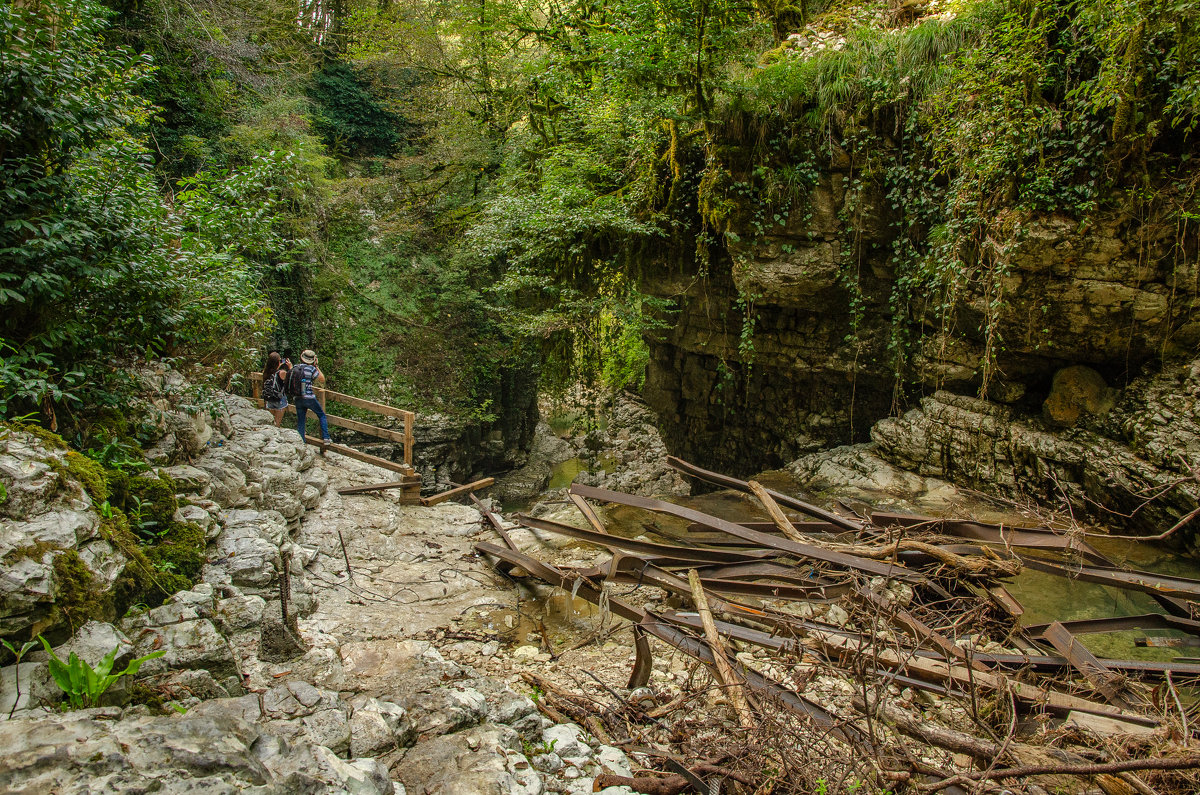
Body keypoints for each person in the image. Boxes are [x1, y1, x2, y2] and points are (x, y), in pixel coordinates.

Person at [289, 349, 331, 443]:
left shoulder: (296, 367)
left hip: (298, 398)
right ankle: (326, 438)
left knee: (301, 420)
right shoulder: (311, 369)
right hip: (309, 398)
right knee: (321, 415)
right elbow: (321, 379)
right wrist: (316, 365)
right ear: (313, 359)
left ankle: (301, 441)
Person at [261, 351, 291, 427]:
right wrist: (290, 367)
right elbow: (291, 378)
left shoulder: (266, 372)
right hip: (279, 399)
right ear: (278, 362)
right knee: (277, 424)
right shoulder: (281, 372)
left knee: (270, 423)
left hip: (269, 399)